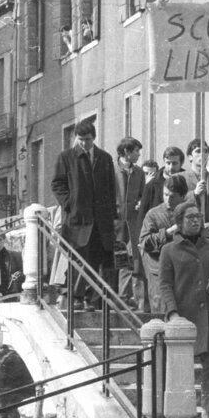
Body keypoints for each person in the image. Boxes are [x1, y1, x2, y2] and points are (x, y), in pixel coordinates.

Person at [158, 201, 209, 418]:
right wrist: (172, 314)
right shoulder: (169, 250)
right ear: (179, 222)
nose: (195, 220)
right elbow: (164, 284)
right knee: (182, 367)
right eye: (190, 217)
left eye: (198, 216)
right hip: (183, 317)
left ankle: (207, 414)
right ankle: (181, 413)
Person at [51, 118, 118, 311]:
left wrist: (111, 214)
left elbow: (111, 188)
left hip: (101, 221)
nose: (83, 143)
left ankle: (91, 298)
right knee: (78, 259)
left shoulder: (104, 158)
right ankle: (76, 297)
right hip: (77, 221)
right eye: (80, 139)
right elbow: (57, 184)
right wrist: (70, 204)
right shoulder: (66, 157)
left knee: (97, 259)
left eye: (87, 139)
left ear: (93, 138)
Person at [139, 174, 189, 312]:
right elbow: (144, 242)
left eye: (172, 196)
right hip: (159, 272)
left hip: (183, 273)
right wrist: (166, 233)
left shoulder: (190, 213)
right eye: (165, 195)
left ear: (183, 196)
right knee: (161, 312)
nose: (168, 199)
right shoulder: (153, 214)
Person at [115, 136, 147, 307]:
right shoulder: (112, 170)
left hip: (132, 224)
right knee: (115, 261)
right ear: (126, 152)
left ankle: (125, 298)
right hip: (115, 224)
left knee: (129, 260)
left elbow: (142, 195)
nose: (139, 155)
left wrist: (140, 202)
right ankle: (115, 298)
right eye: (136, 151)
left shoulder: (139, 173)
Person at [138, 146, 184, 220]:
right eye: (168, 163)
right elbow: (143, 213)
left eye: (174, 163)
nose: (171, 167)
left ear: (181, 163)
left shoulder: (188, 181)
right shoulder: (152, 184)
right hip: (157, 228)